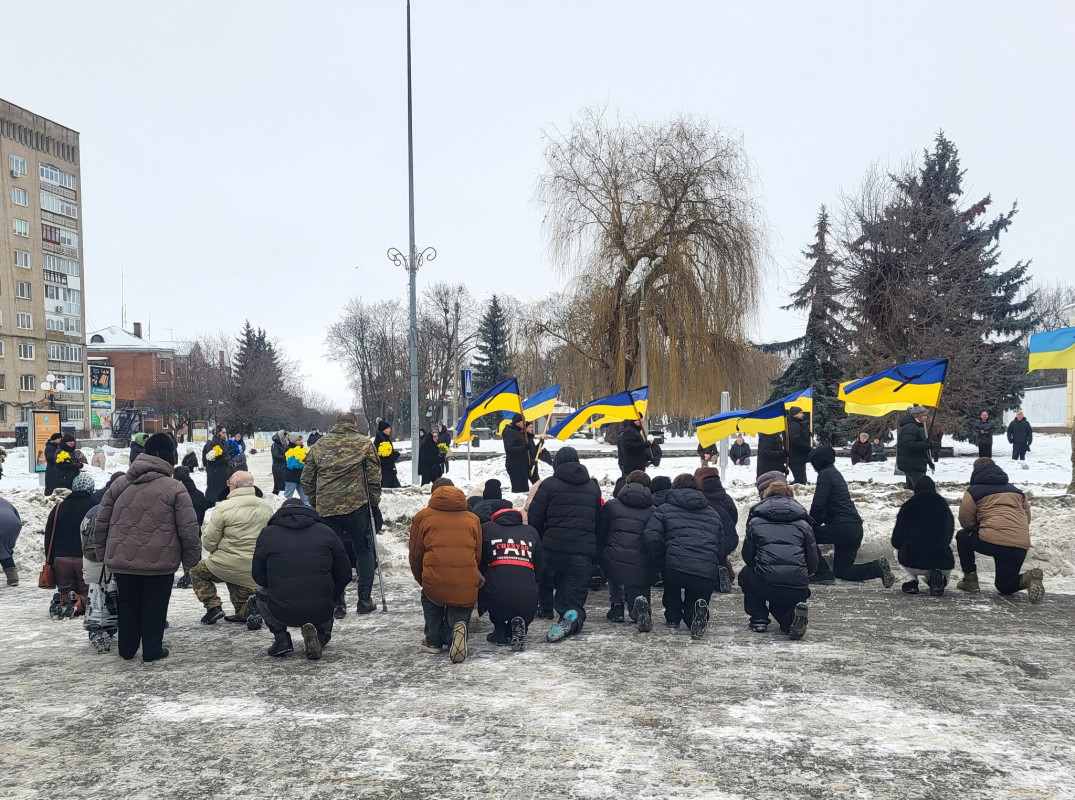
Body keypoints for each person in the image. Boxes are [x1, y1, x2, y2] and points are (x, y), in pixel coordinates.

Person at [93, 433, 201, 662]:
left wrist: (103, 555)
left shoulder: (119, 484)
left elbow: (100, 521)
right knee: (155, 605)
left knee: (128, 602)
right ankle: (152, 650)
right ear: (169, 456)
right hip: (161, 561)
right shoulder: (175, 488)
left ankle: (127, 649)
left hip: (123, 561)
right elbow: (188, 529)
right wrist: (191, 561)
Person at [301, 411, 382, 618]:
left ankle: (338, 603)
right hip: (357, 506)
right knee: (364, 550)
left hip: (327, 508)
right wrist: (373, 503)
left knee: (332, 554)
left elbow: (307, 478)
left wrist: (316, 501)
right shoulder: (364, 443)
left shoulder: (319, 445)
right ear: (354, 423)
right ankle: (364, 600)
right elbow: (373, 477)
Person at [252, 499, 352, 660]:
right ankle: (321, 635)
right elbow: (344, 573)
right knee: (326, 589)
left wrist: (277, 585)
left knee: (260, 592)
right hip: (321, 609)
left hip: (281, 609)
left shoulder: (267, 534)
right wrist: (332, 597)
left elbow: (258, 575)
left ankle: (281, 638)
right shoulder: (327, 532)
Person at [527, 447, 602, 642]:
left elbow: (535, 517)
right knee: (574, 591)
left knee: (545, 577)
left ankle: (545, 608)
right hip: (581, 551)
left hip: (552, 548)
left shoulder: (549, 485)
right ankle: (570, 615)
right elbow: (598, 519)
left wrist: (541, 542)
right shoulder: (592, 487)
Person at [643, 473, 727, 639]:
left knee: (672, 589)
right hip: (705, 569)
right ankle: (696, 615)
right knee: (698, 596)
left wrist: (661, 558)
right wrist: (713, 560)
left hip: (674, 566)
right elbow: (721, 543)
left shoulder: (664, 509)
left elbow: (651, 536)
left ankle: (673, 617)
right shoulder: (712, 512)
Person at [409, 479, 482, 662]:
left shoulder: (422, 517)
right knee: (461, 600)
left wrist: (423, 579)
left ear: (433, 494)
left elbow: (416, 554)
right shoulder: (473, 519)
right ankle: (456, 633)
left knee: (431, 597)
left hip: (435, 579)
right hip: (465, 580)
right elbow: (477, 554)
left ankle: (433, 641)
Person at [189, 470, 272, 627]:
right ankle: (251, 606)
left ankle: (213, 606)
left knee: (196, 571)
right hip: (254, 568)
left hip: (225, 565)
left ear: (233, 486)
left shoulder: (223, 508)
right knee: (243, 609)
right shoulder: (266, 507)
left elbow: (209, 543)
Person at [955, 458, 1043, 603]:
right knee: (1004, 585)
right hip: (1019, 544)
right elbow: (1026, 518)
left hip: (990, 540)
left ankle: (970, 581)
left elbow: (966, 520)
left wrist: (978, 528)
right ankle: (1028, 578)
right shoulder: (1017, 492)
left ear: (975, 472)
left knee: (962, 537)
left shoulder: (973, 491)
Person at [739, 478, 817, 639]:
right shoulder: (804, 524)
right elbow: (813, 561)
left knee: (745, 574)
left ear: (766, 497)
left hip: (766, 583)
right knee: (782, 608)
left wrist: (763, 568)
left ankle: (759, 617)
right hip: (798, 586)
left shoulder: (755, 522)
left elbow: (748, 557)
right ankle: (791, 620)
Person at [806, 446, 895, 586]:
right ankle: (876, 568)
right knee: (843, 571)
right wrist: (816, 521)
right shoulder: (834, 473)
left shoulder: (825, 475)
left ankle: (822, 572)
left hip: (842, 528)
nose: (813, 466)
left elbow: (818, 504)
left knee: (806, 535)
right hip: (854, 529)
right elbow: (826, 507)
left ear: (819, 461)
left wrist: (808, 525)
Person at [598, 470, 656, 631]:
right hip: (640, 560)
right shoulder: (652, 510)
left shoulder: (611, 506)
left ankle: (617, 607)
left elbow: (601, 531)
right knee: (639, 583)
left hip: (614, 556)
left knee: (614, 572)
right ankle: (639, 609)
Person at [480, 506, 544, 651]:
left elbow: (481, 561)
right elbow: (540, 563)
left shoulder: (487, 529)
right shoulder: (531, 531)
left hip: (497, 590)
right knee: (524, 600)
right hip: (527, 591)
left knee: (494, 582)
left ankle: (500, 631)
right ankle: (521, 625)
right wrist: (535, 583)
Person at [890, 475, 954, 595]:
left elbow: (897, 538)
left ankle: (911, 582)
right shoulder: (943, 505)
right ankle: (937, 578)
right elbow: (949, 533)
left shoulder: (909, 506)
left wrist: (901, 545)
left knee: (896, 550)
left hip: (912, 561)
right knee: (943, 554)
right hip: (941, 561)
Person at [44, 472, 97, 618]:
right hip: (84, 559)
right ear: (90, 489)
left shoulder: (58, 508)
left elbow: (49, 535)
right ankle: (78, 604)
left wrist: (49, 560)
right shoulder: (94, 508)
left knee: (66, 591)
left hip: (61, 559)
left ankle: (62, 602)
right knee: (87, 592)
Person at [694, 466, 739, 592]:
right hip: (728, 539)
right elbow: (734, 516)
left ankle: (716, 577)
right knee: (721, 556)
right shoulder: (725, 497)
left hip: (706, 542)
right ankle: (726, 573)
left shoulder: (698, 497)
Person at [896, 406, 933, 490]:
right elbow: (909, 444)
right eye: (924, 415)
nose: (926, 417)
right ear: (918, 416)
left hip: (913, 464)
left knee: (912, 489)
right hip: (913, 465)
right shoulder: (911, 427)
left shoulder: (914, 426)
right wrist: (926, 445)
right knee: (921, 489)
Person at [202, 426, 235, 508]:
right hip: (215, 473)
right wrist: (226, 459)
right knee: (213, 494)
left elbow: (226, 454)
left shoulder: (223, 442)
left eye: (225, 433)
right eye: (223, 433)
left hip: (222, 472)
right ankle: (207, 510)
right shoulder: (213, 444)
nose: (225, 435)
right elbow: (210, 459)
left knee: (221, 493)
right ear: (217, 433)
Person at [502, 413, 532, 493]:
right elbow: (509, 449)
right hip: (515, 466)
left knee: (524, 489)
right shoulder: (510, 432)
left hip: (521, 465)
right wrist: (524, 448)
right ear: (518, 422)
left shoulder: (518, 432)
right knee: (519, 490)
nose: (525, 423)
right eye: (523, 421)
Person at [0, 496, 22, 586]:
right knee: (4, 550)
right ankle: (13, 578)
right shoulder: (3, 501)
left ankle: (13, 578)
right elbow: (16, 515)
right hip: (13, 524)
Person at [786, 407, 811, 485]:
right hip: (796, 456)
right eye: (801, 413)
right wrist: (807, 447)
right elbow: (795, 439)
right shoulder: (793, 424)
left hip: (798, 456)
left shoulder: (794, 423)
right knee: (800, 480)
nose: (802, 414)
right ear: (795, 415)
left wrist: (807, 434)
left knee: (801, 479)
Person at [283, 436, 310, 505]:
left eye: (301, 440)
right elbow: (292, 465)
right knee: (287, 498)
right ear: (293, 441)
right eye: (298, 440)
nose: (301, 442)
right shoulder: (288, 450)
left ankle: (307, 512)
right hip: (291, 478)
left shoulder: (304, 450)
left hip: (301, 477)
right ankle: (285, 511)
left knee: (305, 497)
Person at [374, 421, 401, 489]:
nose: (390, 430)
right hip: (385, 473)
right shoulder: (380, 440)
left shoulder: (386, 438)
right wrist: (394, 455)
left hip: (390, 471)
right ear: (383, 430)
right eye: (388, 428)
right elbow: (383, 458)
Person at [270, 430, 289, 494]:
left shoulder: (284, 445)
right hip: (278, 467)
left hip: (284, 467)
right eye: (285, 437)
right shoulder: (275, 445)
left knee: (283, 485)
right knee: (278, 486)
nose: (287, 439)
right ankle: (275, 496)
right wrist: (286, 457)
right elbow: (276, 456)